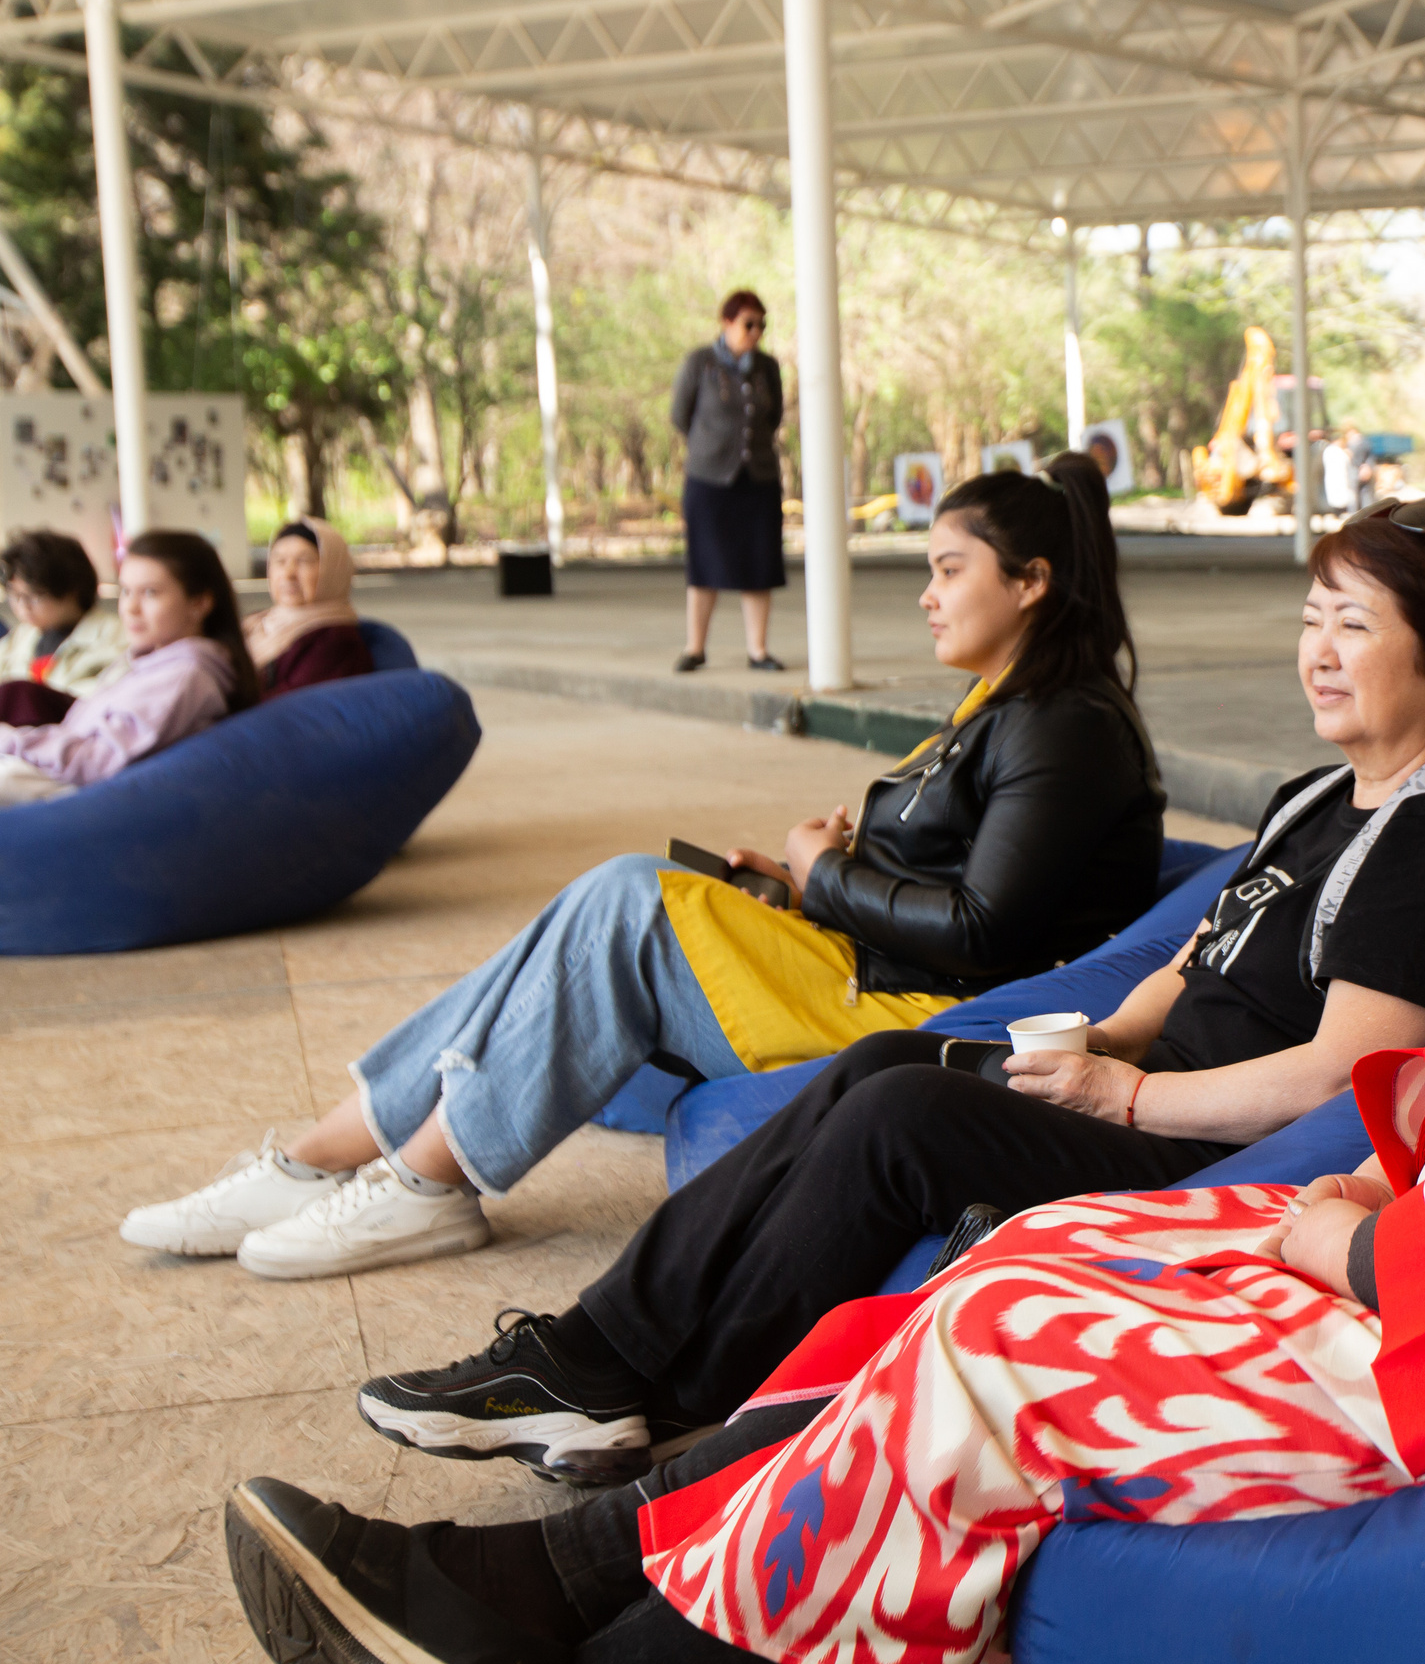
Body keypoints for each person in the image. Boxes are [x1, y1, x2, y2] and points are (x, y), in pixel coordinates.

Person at [222, 315, 1425, 1664]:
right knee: (975, 1277)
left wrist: (1344, 1225)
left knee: (1001, 1326)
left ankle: (605, 1640)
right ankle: (550, 1584)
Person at [345, 497, 1425, 1483]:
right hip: (1145, 1093)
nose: (1318, 651)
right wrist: (1093, 1041)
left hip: (1209, 1164)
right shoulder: (1315, 798)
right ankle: (590, 1359)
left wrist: (1125, 1101)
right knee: (883, 1067)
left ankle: (661, 1396)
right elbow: (1193, 965)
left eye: (1354, 626)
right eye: (1314, 616)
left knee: (899, 1119)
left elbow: (1334, 1077)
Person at [123, 455, 1166, 1281]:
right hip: (861, 962)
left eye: (948, 569)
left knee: (624, 901)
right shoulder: (1002, 707)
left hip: (919, 1014)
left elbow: (985, 933)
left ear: (1031, 582)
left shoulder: (1064, 725)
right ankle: (316, 1161)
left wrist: (821, 869)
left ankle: (419, 1185)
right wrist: (800, 879)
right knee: (596, 909)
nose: (928, 596)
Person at [0, 531, 258, 806]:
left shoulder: (183, 677)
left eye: (150, 592)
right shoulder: (152, 662)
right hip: (65, 778)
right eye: (125, 591)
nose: (130, 608)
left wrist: (11, 741)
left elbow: (97, 762)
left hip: (86, 801)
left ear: (199, 603)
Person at [671, 289, 786, 673]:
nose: (755, 332)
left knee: (759, 563)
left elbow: (774, 417)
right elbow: (679, 415)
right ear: (727, 322)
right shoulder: (700, 363)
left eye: (761, 325)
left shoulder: (767, 367)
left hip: (758, 477)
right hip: (709, 479)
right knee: (705, 562)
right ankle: (695, 647)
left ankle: (758, 650)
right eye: (748, 324)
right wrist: (712, 446)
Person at [0, 529, 125, 726]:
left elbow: (104, 702)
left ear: (72, 590)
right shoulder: (18, 638)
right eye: (15, 595)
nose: (23, 607)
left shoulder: (117, 637)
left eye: (35, 595)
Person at [246, 518, 373, 695]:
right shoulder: (255, 622)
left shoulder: (335, 640)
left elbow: (288, 710)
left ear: (333, 570)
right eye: (280, 561)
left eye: (304, 561)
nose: (288, 574)